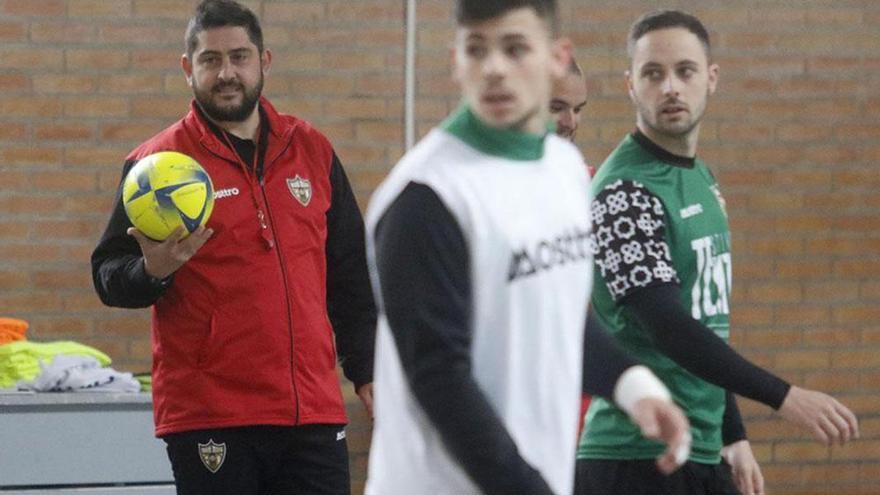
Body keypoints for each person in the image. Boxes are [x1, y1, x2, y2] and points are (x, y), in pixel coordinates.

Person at [364, 2, 692, 495]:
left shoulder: (563, 171)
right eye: (477, 50)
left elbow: (557, 314)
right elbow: (438, 378)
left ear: (557, 58)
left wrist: (633, 385)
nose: (494, 67)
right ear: (456, 61)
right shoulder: (425, 197)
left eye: (515, 48)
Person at [90, 1, 376, 494]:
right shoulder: (156, 166)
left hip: (311, 411)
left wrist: (369, 373)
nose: (226, 73)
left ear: (264, 61)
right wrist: (151, 271)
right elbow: (108, 275)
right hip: (211, 416)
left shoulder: (313, 150)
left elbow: (350, 276)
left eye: (239, 57)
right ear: (188, 68)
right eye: (210, 60)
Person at [576, 10, 859, 495]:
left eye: (684, 72)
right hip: (636, 456)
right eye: (653, 74)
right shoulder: (625, 192)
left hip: (700, 447)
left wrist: (731, 432)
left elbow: (703, 321)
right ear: (630, 84)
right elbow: (667, 325)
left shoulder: (700, 178)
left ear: (711, 79)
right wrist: (783, 396)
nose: (670, 88)